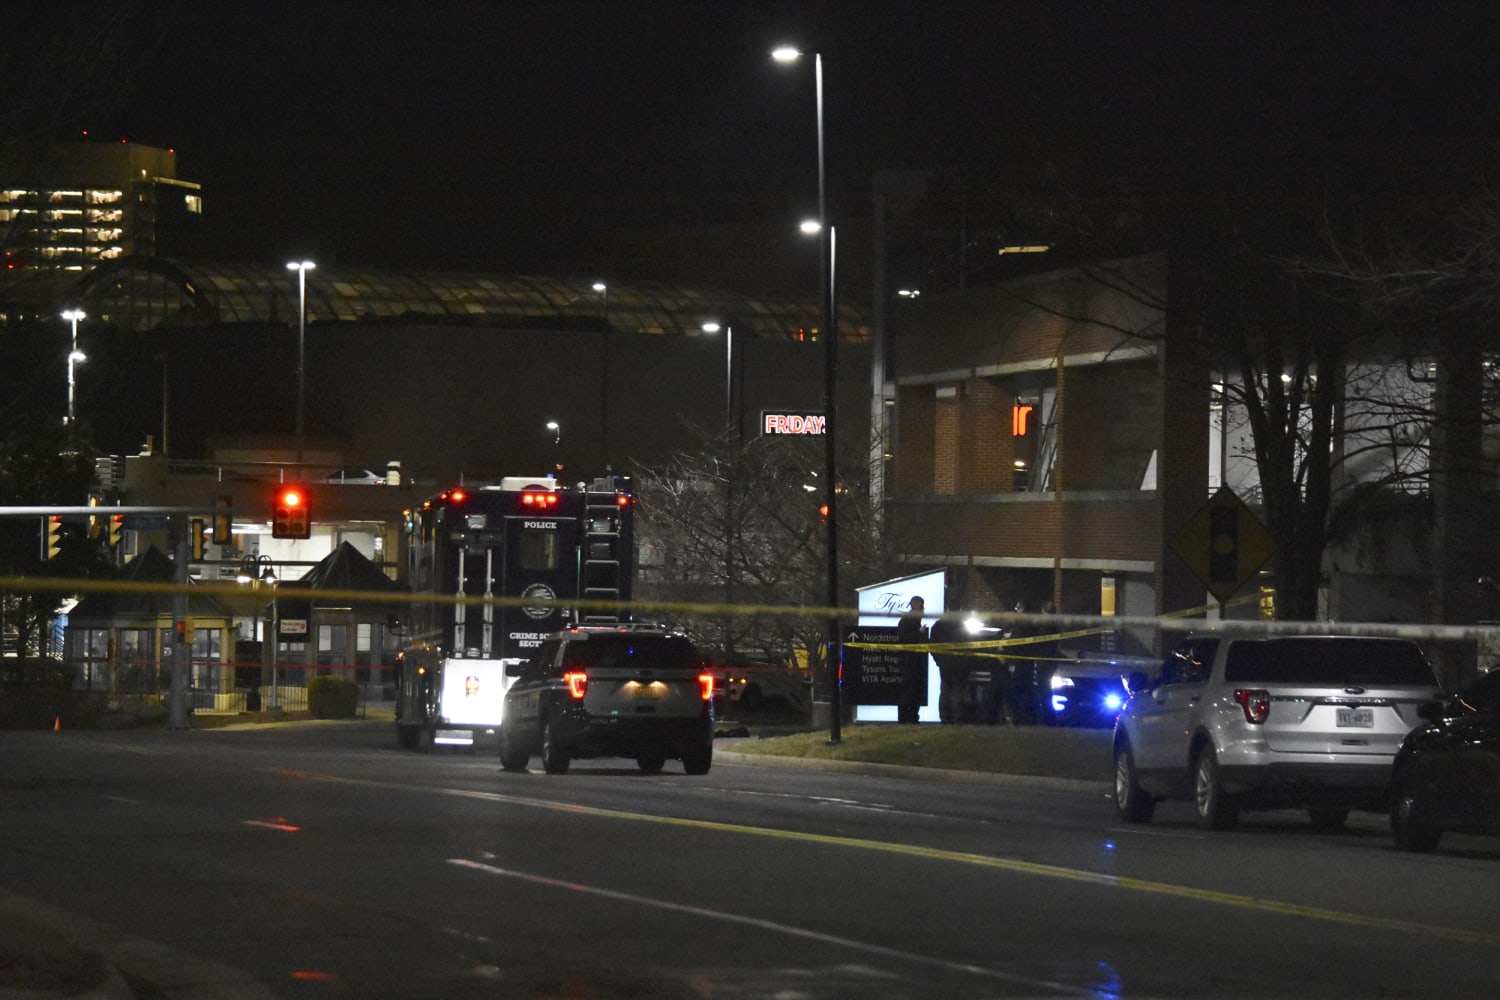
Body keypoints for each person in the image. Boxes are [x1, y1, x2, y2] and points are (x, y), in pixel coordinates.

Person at [928, 613, 971, 723]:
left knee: (945, 690)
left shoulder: (938, 626)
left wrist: (939, 661)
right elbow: (968, 646)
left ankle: (945, 718)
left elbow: (932, 646)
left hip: (945, 665)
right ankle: (957, 718)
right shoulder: (962, 626)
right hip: (958, 665)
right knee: (956, 692)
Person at [896, 596, 928, 724]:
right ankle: (904, 718)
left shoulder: (913, 621)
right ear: (915, 606)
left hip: (915, 663)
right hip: (908, 663)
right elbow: (902, 639)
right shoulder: (906, 621)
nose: (923, 609)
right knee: (907, 691)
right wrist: (919, 633)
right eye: (921, 606)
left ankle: (913, 717)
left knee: (915, 691)